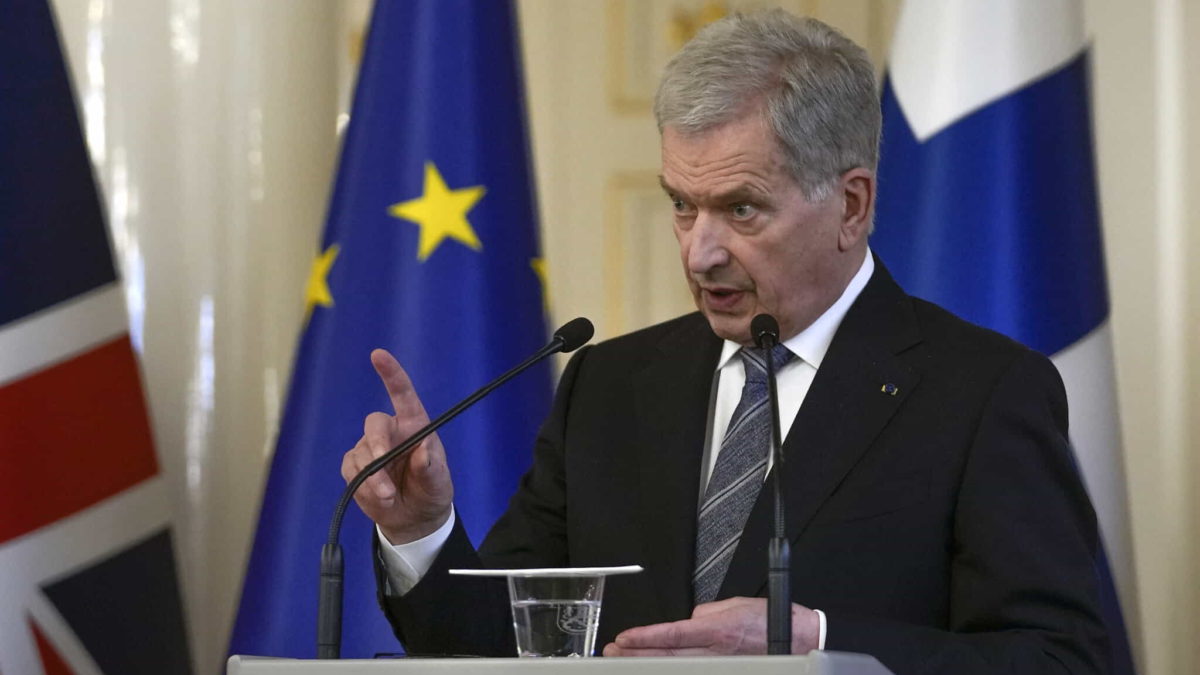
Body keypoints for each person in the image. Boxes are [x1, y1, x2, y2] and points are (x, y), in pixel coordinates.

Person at [341, 10, 1110, 675]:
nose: (698, 252)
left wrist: (819, 641)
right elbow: (496, 647)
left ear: (851, 204)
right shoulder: (607, 385)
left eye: (741, 209)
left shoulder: (981, 392)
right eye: (682, 204)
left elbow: (1059, 658)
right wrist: (420, 532)